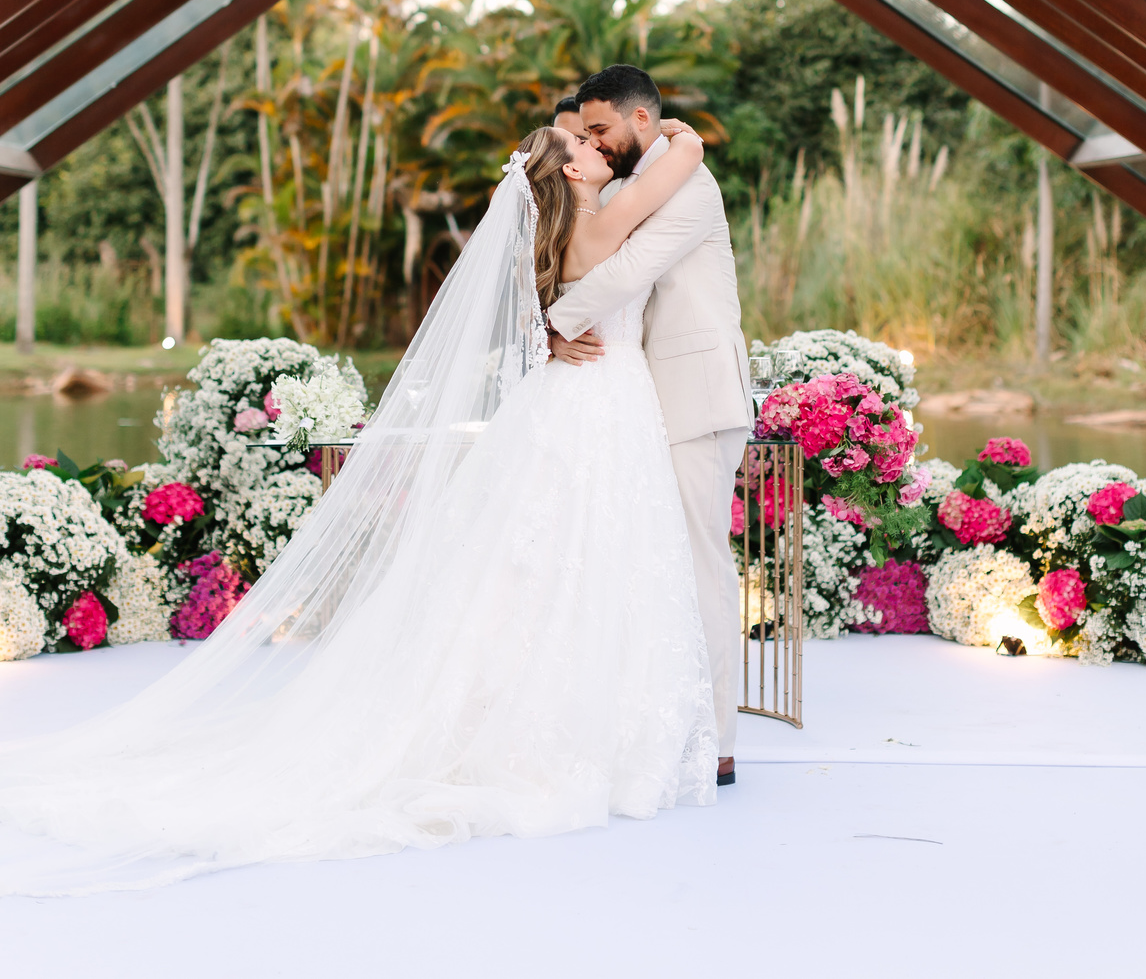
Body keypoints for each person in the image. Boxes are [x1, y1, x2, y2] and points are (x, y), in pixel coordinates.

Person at [0, 122, 718, 895]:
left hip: (579, 403)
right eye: (578, 145)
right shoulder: (602, 218)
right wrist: (667, 128)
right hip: (600, 408)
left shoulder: (559, 229)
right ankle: (569, 732)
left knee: (541, 563)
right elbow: (689, 156)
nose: (593, 146)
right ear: (569, 176)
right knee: (578, 555)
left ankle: (537, 711)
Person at [548, 65, 753, 786]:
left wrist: (549, 323)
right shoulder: (652, 175)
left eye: (600, 128)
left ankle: (719, 741)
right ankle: (655, 720)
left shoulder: (686, 182)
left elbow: (628, 270)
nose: (591, 139)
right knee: (652, 564)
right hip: (648, 399)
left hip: (696, 399)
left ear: (642, 121)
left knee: (700, 567)